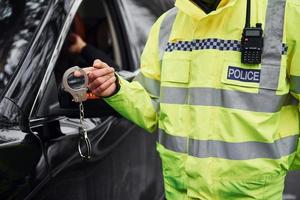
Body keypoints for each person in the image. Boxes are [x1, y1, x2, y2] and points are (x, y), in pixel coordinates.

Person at [79, 0, 300, 199]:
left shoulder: (286, 13)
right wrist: (116, 89)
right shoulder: (167, 26)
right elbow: (152, 105)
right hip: (181, 192)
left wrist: (277, 164)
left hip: (254, 194)